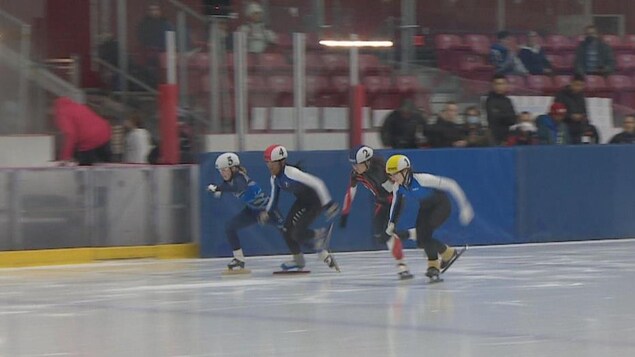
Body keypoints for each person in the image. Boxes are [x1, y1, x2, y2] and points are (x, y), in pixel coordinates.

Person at [385, 154, 473, 282]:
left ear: (405, 171)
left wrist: (465, 206)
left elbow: (451, 184)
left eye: (395, 174)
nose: (392, 178)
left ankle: (434, 267)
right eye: (390, 175)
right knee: (421, 241)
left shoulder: (422, 179)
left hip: (441, 205)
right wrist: (391, 222)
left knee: (425, 236)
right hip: (425, 207)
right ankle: (448, 253)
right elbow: (396, 204)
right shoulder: (397, 186)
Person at [261, 144, 340, 272]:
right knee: (286, 230)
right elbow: (274, 198)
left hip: (315, 202)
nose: (269, 167)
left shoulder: (292, 172)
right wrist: (267, 212)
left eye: (272, 163)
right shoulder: (274, 178)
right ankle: (299, 259)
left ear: (282, 162)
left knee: (297, 233)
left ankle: (320, 240)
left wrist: (328, 204)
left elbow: (317, 183)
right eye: (267, 163)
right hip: (302, 201)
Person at [339, 145, 413, 280]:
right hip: (381, 203)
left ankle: (402, 266)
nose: (355, 168)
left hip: (395, 202)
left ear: (367, 162)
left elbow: (399, 190)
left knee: (387, 233)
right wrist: (345, 212)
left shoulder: (383, 171)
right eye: (353, 165)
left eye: (357, 165)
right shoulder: (356, 174)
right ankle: (412, 234)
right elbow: (351, 191)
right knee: (381, 236)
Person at [207, 152, 283, 273]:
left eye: (224, 170)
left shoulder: (239, 177)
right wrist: (220, 189)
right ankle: (238, 258)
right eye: (220, 171)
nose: (222, 173)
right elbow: (227, 185)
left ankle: (309, 242)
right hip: (252, 210)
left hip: (267, 210)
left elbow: (238, 187)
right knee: (229, 227)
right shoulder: (230, 179)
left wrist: (218, 189)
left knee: (287, 229)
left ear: (234, 168)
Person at [53, 97, 112, 166]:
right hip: (105, 134)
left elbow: (70, 135)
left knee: (84, 171)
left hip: (89, 140)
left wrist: (65, 157)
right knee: (107, 168)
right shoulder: (80, 107)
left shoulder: (62, 113)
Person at [485, 74, 517, 145]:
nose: (500, 86)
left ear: (506, 85)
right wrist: (507, 116)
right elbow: (494, 117)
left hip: (507, 136)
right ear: (493, 85)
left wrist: (502, 114)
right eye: (497, 84)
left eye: (502, 84)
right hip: (494, 136)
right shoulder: (489, 100)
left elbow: (513, 120)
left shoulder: (508, 101)